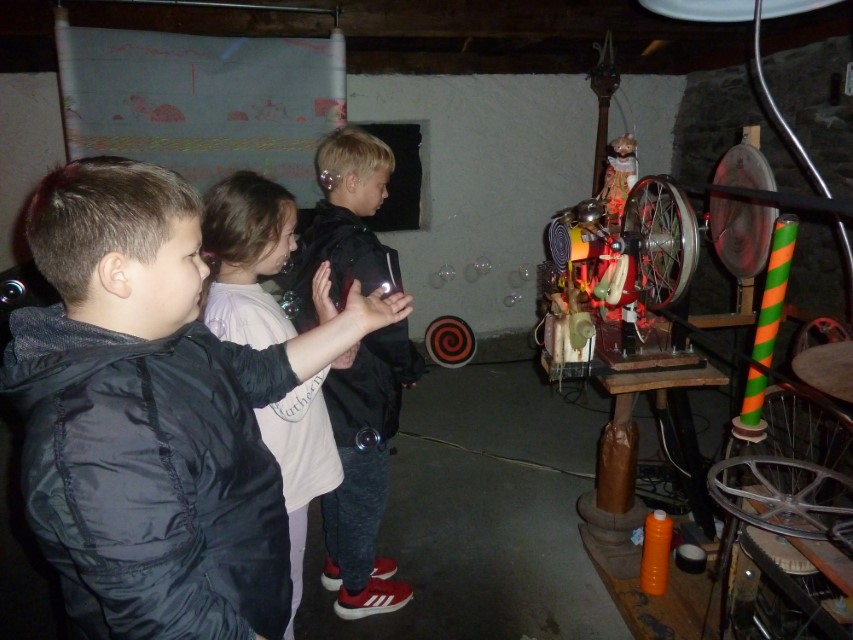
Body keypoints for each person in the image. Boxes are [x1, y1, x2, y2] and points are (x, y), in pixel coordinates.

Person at [0, 156, 414, 640]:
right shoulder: (98, 435)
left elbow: (264, 372)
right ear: (119, 274)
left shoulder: (177, 341)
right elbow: (163, 611)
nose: (204, 268)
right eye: (190, 255)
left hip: (242, 579)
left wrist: (354, 322)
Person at [201, 171, 351, 640]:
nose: (294, 244)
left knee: (283, 588)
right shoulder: (241, 312)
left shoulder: (241, 297)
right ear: (256, 237)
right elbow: (286, 399)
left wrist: (325, 333)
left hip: (279, 475)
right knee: (283, 595)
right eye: (287, 235)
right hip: (280, 481)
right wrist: (334, 337)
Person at [288, 125, 426, 621]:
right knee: (364, 488)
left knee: (338, 474)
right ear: (350, 181)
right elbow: (389, 325)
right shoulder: (367, 251)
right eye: (381, 184)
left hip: (325, 377)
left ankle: (341, 559)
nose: (386, 194)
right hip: (360, 386)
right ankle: (356, 588)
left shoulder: (311, 233)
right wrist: (409, 365)